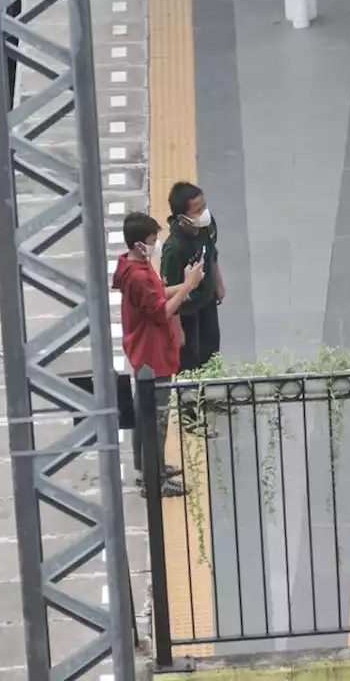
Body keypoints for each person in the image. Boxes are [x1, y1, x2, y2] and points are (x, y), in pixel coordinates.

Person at [113, 212, 206, 497]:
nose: (155, 244)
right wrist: (188, 286)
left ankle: (147, 468)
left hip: (142, 349)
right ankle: (157, 481)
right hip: (152, 351)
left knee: (144, 413)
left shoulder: (132, 265)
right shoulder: (139, 276)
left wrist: (186, 284)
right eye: (153, 240)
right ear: (140, 244)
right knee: (157, 417)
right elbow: (160, 310)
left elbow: (158, 294)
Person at [160, 181, 225, 373]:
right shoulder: (174, 249)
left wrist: (218, 284)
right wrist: (177, 330)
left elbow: (212, 255)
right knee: (190, 360)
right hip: (187, 311)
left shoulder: (206, 226)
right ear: (182, 218)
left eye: (204, 206)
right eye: (197, 210)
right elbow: (169, 293)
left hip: (207, 300)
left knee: (212, 351)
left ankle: (213, 396)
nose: (203, 213)